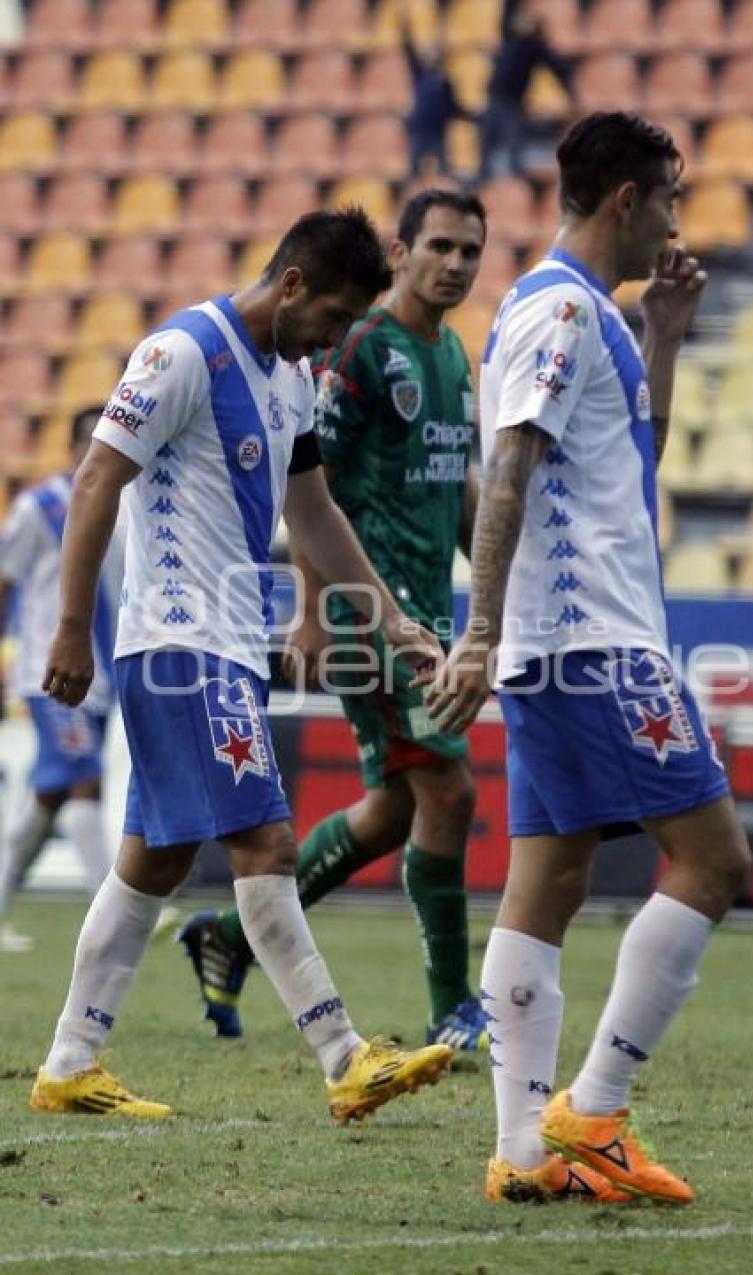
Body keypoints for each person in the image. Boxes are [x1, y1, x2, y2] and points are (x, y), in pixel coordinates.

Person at [29, 207, 455, 1122]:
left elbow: (314, 515)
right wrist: (72, 627)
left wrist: (394, 624)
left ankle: (69, 1061)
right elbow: (100, 476)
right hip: (180, 642)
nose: (339, 341)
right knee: (265, 842)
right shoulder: (183, 352)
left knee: (154, 857)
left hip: (228, 642)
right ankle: (345, 1056)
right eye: (335, 318)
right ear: (292, 285)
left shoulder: (293, 380)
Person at [427, 113, 751, 1204]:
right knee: (715, 861)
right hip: (593, 641)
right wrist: (478, 629)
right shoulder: (563, 311)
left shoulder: (569, 311)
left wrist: (662, 334)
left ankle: (524, 1152)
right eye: (667, 197)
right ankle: (595, 1108)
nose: (673, 216)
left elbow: (612, 465)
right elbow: (511, 463)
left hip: (559, 644)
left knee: (549, 883)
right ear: (625, 200)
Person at [178, 188, 491, 1052]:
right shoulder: (356, 348)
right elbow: (308, 481)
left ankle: (230, 936)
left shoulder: (454, 357)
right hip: (368, 614)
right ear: (403, 251)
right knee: (452, 789)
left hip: (425, 610)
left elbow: (456, 487)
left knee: (393, 811)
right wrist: (313, 609)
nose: (456, 265)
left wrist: (495, 585)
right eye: (440, 246)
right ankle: (453, 1006)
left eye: (471, 251)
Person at [0, 408, 119, 954]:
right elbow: (5, 583)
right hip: (51, 670)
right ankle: (112, 909)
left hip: (102, 671)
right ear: (75, 446)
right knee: (83, 778)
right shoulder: (40, 507)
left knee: (49, 795)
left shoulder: (124, 504)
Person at [477, 0, 570, 182]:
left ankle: (516, 183)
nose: (521, 22)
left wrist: (569, 85)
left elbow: (556, 67)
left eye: (526, 20)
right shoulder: (509, 37)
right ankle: (484, 178)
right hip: (494, 99)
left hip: (513, 104)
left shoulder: (535, 47)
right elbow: (506, 13)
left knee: (514, 147)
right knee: (484, 143)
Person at [398, 0, 469, 178]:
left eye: (436, 53)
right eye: (430, 53)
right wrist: (404, 25)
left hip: (438, 134)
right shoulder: (420, 74)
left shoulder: (446, 82)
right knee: (413, 173)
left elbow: (454, 107)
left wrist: (471, 116)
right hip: (420, 131)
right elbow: (409, 51)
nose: (432, 56)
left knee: (445, 172)